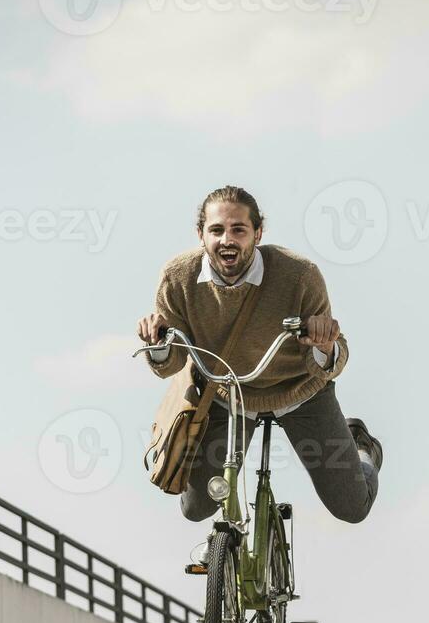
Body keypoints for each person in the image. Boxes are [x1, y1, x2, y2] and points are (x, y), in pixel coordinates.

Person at [137, 185, 382, 523]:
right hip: (228, 394)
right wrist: (159, 343)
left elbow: (330, 364)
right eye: (217, 230)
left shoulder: (300, 275)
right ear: (201, 234)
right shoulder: (177, 278)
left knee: (352, 508)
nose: (228, 239)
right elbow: (171, 364)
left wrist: (325, 345)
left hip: (299, 391)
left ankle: (362, 451)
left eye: (239, 229)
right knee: (196, 509)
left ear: (258, 233)